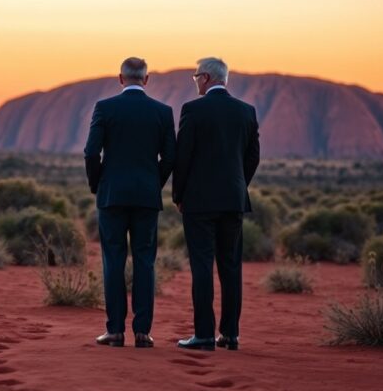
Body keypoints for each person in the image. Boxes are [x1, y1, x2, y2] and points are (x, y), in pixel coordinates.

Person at [83, 57, 176, 348]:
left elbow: (90, 153)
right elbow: (171, 157)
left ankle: (114, 331)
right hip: (146, 197)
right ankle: (142, 332)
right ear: (146, 80)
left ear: (120, 78)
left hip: (112, 196)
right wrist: (154, 184)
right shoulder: (162, 112)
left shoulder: (105, 108)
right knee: (145, 262)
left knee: (113, 261)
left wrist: (98, 184)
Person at [173, 57, 260, 351]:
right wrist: (237, 186)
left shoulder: (193, 110)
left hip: (198, 203)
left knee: (202, 268)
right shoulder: (246, 111)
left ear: (207, 78)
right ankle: (231, 335)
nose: (195, 80)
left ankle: (204, 335)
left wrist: (179, 195)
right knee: (231, 268)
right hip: (233, 202)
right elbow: (252, 157)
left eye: (196, 76)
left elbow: (182, 157)